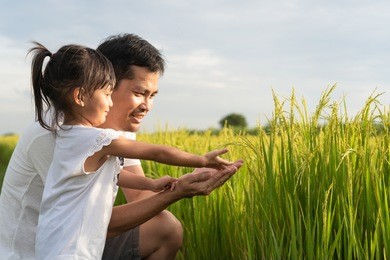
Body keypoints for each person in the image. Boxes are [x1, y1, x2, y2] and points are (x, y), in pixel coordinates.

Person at [0, 34, 243, 260]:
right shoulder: (57, 132)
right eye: (139, 93)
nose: (147, 106)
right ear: (103, 83)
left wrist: (179, 183)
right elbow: (93, 222)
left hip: (84, 241)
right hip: (40, 251)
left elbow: (140, 196)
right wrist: (180, 187)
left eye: (153, 95)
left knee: (165, 228)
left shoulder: (115, 128)